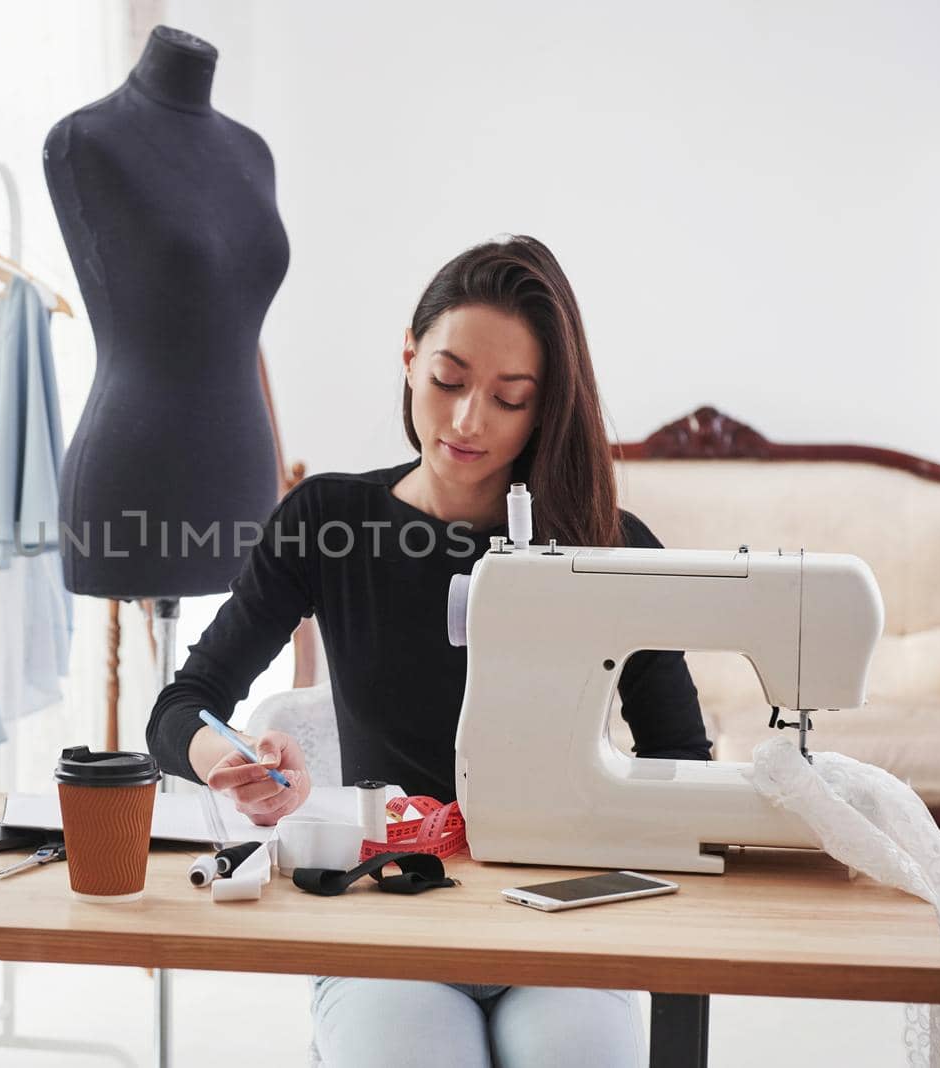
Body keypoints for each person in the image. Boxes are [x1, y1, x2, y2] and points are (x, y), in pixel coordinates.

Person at [146, 236, 712, 1067]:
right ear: (410, 360)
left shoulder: (609, 549)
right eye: (448, 379)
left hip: (559, 914)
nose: (467, 419)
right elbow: (181, 707)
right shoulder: (327, 523)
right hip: (390, 914)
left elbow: (683, 762)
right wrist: (234, 760)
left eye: (509, 398)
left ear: (546, 406)